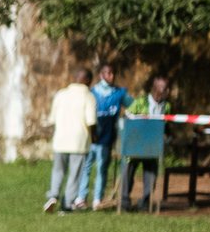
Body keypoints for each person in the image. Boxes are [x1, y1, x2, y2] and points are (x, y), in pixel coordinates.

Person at [45, 67, 98, 214]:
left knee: (58, 170)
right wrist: (94, 136)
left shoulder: (61, 94)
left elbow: (52, 119)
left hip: (60, 139)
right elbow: (91, 121)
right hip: (79, 142)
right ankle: (67, 204)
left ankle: (54, 194)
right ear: (87, 80)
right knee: (75, 174)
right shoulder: (88, 96)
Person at [119, 74, 172, 212]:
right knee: (128, 174)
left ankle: (145, 201)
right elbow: (126, 117)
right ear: (156, 89)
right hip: (135, 144)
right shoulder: (140, 102)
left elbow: (167, 125)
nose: (167, 91)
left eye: (167, 88)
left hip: (152, 146)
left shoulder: (166, 106)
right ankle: (124, 201)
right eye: (164, 88)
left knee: (151, 175)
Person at [83, 63, 130, 210]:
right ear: (101, 75)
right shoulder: (91, 93)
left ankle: (97, 199)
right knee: (86, 167)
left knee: (102, 169)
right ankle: (81, 197)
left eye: (113, 73)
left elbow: (133, 106)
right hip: (91, 138)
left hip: (106, 139)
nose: (111, 76)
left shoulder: (119, 93)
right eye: (108, 73)